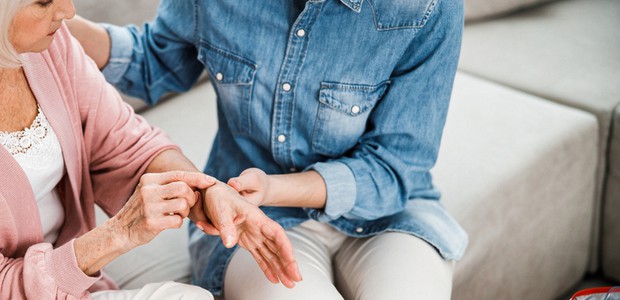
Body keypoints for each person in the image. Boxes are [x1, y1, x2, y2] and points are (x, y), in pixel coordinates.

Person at [0, 0, 300, 298]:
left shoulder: (37, 40)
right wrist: (112, 237)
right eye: (43, 0)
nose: (68, 9)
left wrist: (204, 190)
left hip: (66, 285)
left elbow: (124, 144)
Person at [66, 0, 469, 298]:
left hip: (387, 215)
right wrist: (56, 17)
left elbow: (397, 167)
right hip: (254, 221)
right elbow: (155, 61)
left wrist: (274, 186)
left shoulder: (425, 7)